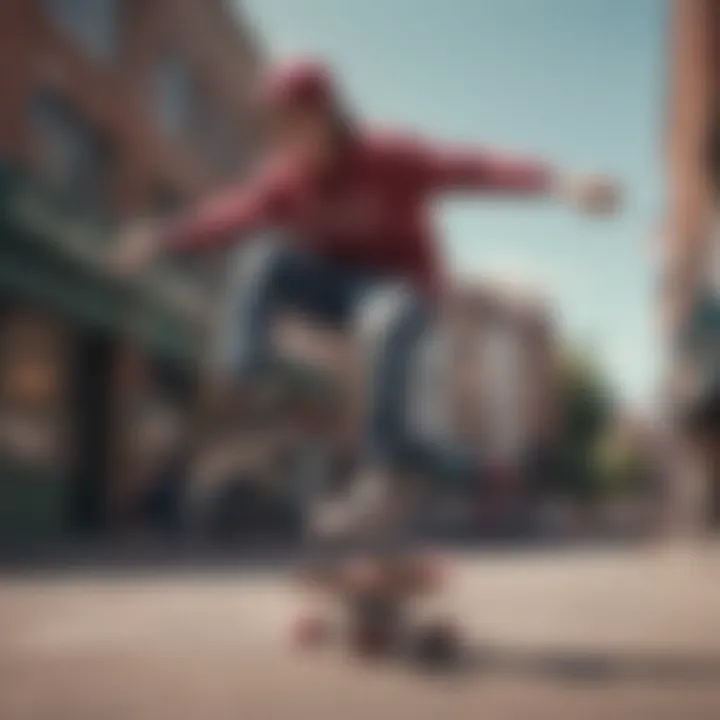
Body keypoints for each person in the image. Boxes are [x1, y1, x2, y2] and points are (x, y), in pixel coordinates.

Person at [115, 57, 618, 582]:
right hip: (333, 293)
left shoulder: (388, 155)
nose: (285, 140)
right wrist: (161, 239)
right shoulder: (285, 177)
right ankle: (245, 402)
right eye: (276, 128)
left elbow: (472, 168)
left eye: (293, 124)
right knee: (259, 258)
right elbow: (231, 214)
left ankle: (388, 469)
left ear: (326, 114)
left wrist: (557, 181)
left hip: (406, 295)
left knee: (387, 313)